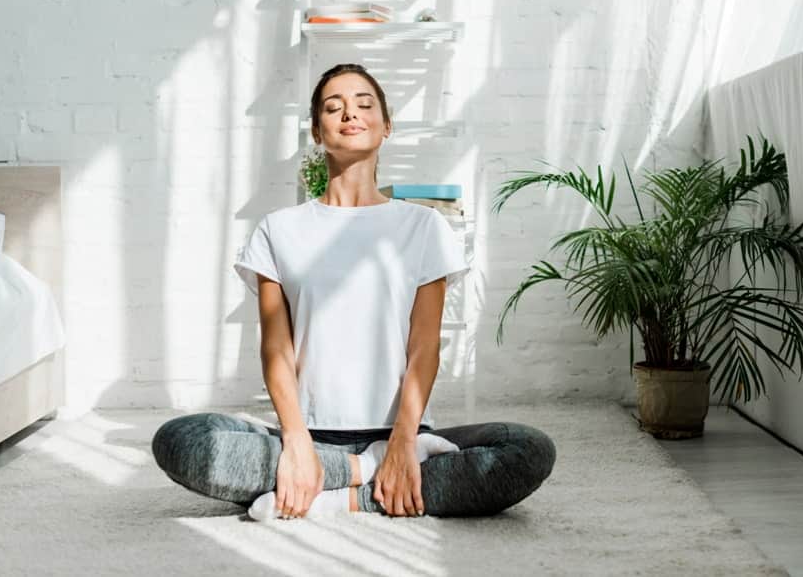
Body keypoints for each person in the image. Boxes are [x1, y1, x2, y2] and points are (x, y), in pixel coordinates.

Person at [151, 63, 556, 520]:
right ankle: (367, 472)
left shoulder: (423, 226)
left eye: (364, 104)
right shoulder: (279, 230)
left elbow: (424, 348)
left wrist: (403, 441)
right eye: (333, 107)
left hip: (404, 431)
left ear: (386, 126)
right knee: (181, 440)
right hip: (310, 432)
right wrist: (297, 441)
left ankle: (338, 493)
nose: (350, 113)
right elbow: (276, 350)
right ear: (317, 131)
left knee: (527, 449)